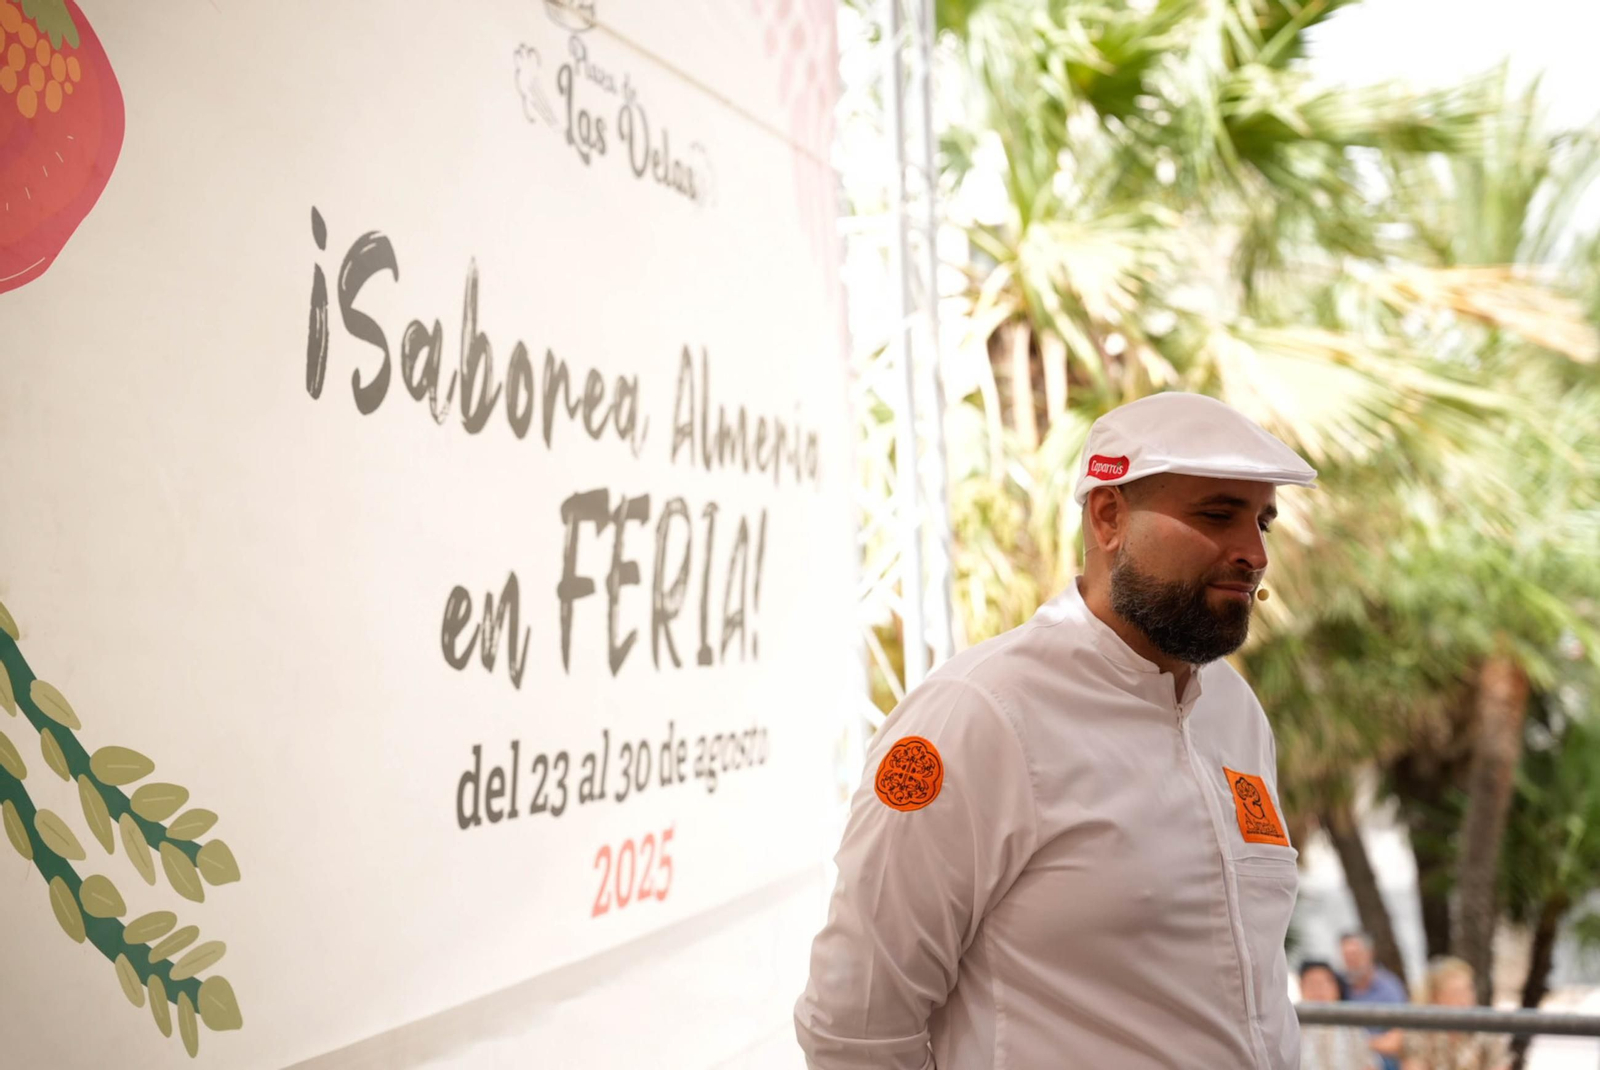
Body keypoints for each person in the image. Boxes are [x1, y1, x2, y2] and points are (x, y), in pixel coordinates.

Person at [794, 392, 1316, 1069]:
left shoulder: (1233, 710)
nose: (1253, 552)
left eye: (1262, 522)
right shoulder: (977, 715)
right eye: (1217, 515)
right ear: (1109, 516)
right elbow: (854, 1026)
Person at [1397, 958, 1510, 1070]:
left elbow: (1500, 1066)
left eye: (1469, 989)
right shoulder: (1420, 1034)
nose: (1464, 999)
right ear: (1435, 998)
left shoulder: (1488, 1030)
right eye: (1455, 992)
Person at [1342, 931, 1410, 1070]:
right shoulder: (1339, 987)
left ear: (1370, 953)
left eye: (1355, 955)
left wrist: (1361, 1044)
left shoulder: (1389, 987)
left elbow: (1398, 1038)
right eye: (1347, 957)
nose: (1352, 961)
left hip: (1384, 1061)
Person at [1299, 959, 1382, 1070]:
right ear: (1301, 988)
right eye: (1312, 984)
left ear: (1336, 988)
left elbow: (1370, 1065)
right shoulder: (1293, 1027)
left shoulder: (1352, 1026)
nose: (1318, 990)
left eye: (1323, 983)